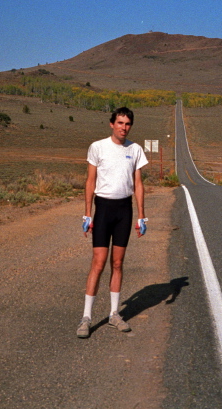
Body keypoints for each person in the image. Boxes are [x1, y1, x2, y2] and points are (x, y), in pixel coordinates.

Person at [76, 107, 148, 338]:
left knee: (118, 263)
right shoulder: (98, 147)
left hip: (124, 210)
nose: (123, 127)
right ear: (111, 124)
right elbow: (90, 181)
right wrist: (87, 214)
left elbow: (138, 184)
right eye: (120, 123)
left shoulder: (135, 150)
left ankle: (114, 314)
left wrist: (141, 216)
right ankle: (86, 317)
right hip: (103, 209)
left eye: (127, 124)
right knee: (98, 262)